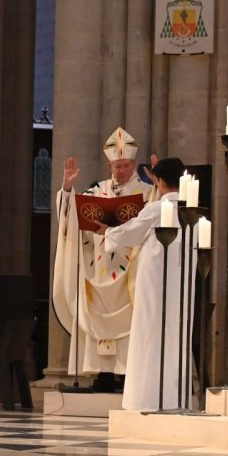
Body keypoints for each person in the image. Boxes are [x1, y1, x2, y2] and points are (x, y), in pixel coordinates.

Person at [52, 128, 155, 383]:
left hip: (129, 267)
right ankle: (103, 374)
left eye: (126, 166)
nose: (121, 171)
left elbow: (158, 216)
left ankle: (126, 374)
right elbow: (71, 218)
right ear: (109, 165)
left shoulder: (146, 192)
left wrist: (157, 183)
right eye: (116, 166)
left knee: (130, 318)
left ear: (134, 165)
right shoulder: (97, 190)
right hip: (98, 266)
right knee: (97, 317)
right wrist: (67, 189)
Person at [93, 157, 192, 412]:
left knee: (149, 333)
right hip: (181, 285)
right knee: (174, 335)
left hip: (155, 284)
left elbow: (131, 232)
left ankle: (146, 397)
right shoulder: (191, 210)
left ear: (159, 182)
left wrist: (108, 232)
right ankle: (173, 397)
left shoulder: (157, 208)